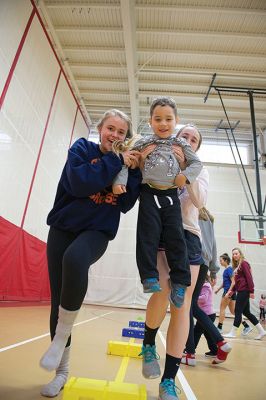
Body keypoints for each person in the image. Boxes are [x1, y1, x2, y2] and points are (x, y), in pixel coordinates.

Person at [39, 109, 142, 397]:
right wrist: (115, 160)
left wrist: (135, 170)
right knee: (58, 301)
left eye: (122, 133)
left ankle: (59, 341)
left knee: (75, 259)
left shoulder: (128, 164)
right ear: (100, 128)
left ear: (127, 137)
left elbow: (125, 203)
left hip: (97, 232)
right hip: (63, 228)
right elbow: (79, 183)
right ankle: (62, 372)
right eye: (111, 128)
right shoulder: (82, 149)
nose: (115, 135)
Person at [139, 124, 218, 400]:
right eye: (184, 135)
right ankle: (148, 343)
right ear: (175, 136)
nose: (188, 140)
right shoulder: (160, 156)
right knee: (160, 291)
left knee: (181, 304)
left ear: (196, 148)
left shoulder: (200, 168)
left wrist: (187, 169)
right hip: (161, 231)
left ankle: (168, 380)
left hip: (188, 235)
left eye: (194, 139)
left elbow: (198, 201)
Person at [114, 97, 203, 308]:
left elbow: (196, 163)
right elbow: (127, 163)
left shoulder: (180, 144)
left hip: (171, 196)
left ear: (176, 121)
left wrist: (186, 175)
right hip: (148, 195)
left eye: (168, 119)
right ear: (151, 121)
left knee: (175, 239)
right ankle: (148, 277)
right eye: (158, 119)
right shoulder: (143, 142)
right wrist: (119, 182)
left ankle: (180, 281)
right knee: (147, 236)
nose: (163, 124)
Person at [181, 207, 232, 367]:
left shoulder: (189, 211)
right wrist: (213, 269)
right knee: (190, 305)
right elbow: (213, 244)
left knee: (188, 305)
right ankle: (217, 344)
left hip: (192, 259)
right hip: (203, 264)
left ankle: (191, 352)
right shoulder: (208, 218)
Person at [224, 247, 266, 340]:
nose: (235, 255)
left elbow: (249, 278)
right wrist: (232, 291)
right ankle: (262, 331)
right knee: (247, 312)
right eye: (233, 254)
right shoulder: (238, 266)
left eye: (236, 253)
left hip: (245, 291)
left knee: (237, 311)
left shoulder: (244, 263)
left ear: (240, 254)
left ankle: (233, 332)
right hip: (241, 290)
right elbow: (238, 282)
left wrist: (251, 291)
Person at [215, 253, 251, 335]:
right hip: (231, 292)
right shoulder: (226, 270)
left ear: (226, 261)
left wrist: (229, 292)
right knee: (233, 311)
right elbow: (225, 282)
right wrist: (218, 289)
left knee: (222, 309)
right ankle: (246, 326)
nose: (220, 262)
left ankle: (219, 327)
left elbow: (233, 282)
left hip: (229, 292)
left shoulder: (229, 269)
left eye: (221, 260)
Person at [194, 274, 218, 357]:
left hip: (207, 315)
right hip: (206, 314)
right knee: (208, 334)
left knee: (196, 331)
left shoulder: (206, 286)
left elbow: (204, 299)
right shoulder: (204, 285)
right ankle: (214, 351)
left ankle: (190, 349)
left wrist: (194, 297)